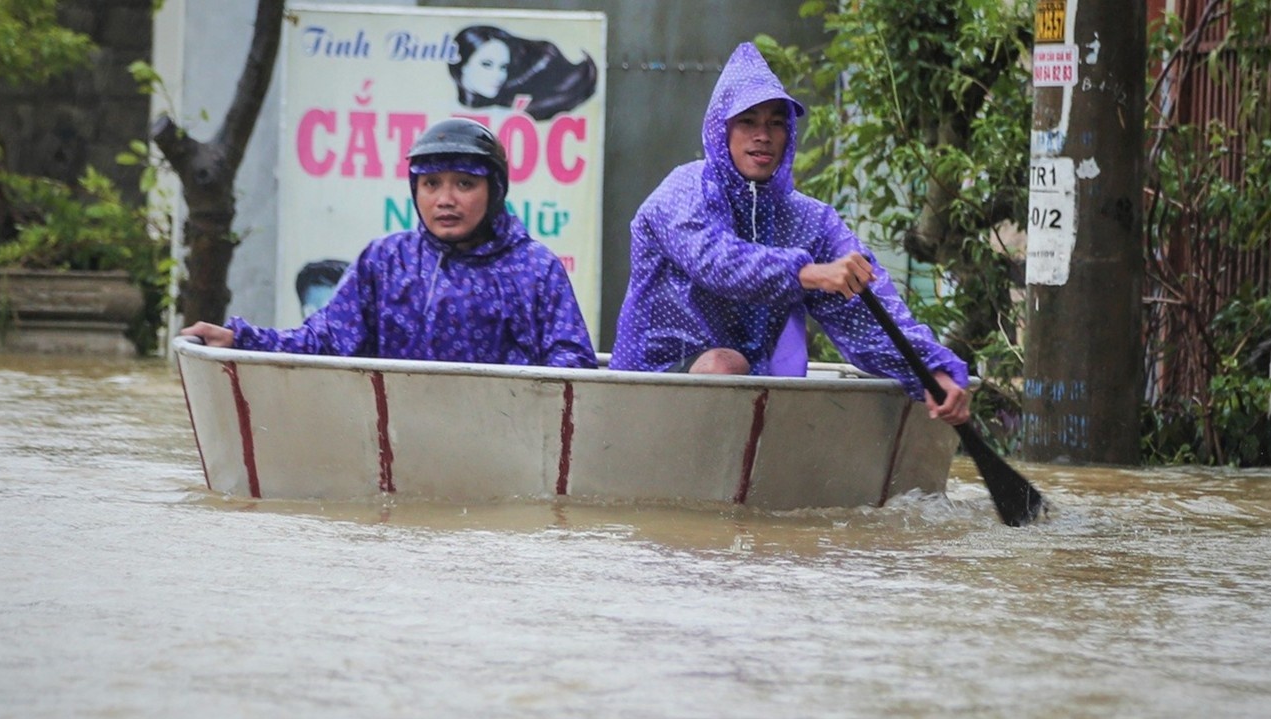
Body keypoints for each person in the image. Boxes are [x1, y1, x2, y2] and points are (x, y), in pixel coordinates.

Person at [609, 42, 970, 425]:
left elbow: (870, 308)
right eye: (748, 121)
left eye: (776, 122)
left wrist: (931, 370)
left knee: (751, 373)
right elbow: (717, 262)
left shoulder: (810, 221)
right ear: (722, 130)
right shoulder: (682, 191)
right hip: (648, 386)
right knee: (724, 363)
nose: (762, 135)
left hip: (750, 395)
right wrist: (810, 274)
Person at [181, 118, 597, 369]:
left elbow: (571, 366)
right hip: (397, 444)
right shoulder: (386, 260)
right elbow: (324, 342)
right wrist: (241, 340)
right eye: (431, 184)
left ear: (495, 191)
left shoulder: (534, 268)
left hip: (504, 452)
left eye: (465, 184)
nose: (445, 199)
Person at [449, 24, 598, 122]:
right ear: (462, 65)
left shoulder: (507, 111)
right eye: (487, 64)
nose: (498, 76)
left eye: (503, 67)